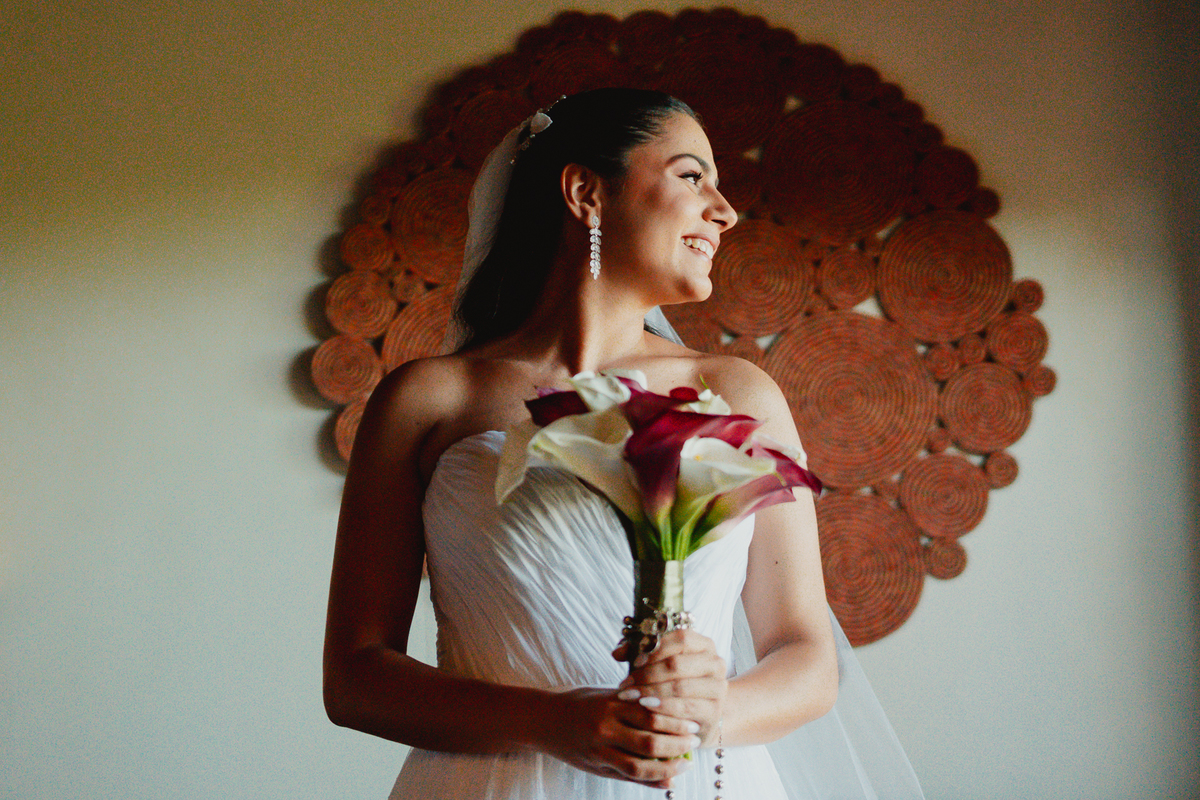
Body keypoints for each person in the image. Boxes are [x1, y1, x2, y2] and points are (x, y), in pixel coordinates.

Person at [323, 88, 924, 799]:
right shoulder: (429, 400)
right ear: (585, 192)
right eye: (693, 176)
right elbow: (356, 677)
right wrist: (550, 722)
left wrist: (708, 711)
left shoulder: (736, 393)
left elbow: (808, 660)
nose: (725, 212)